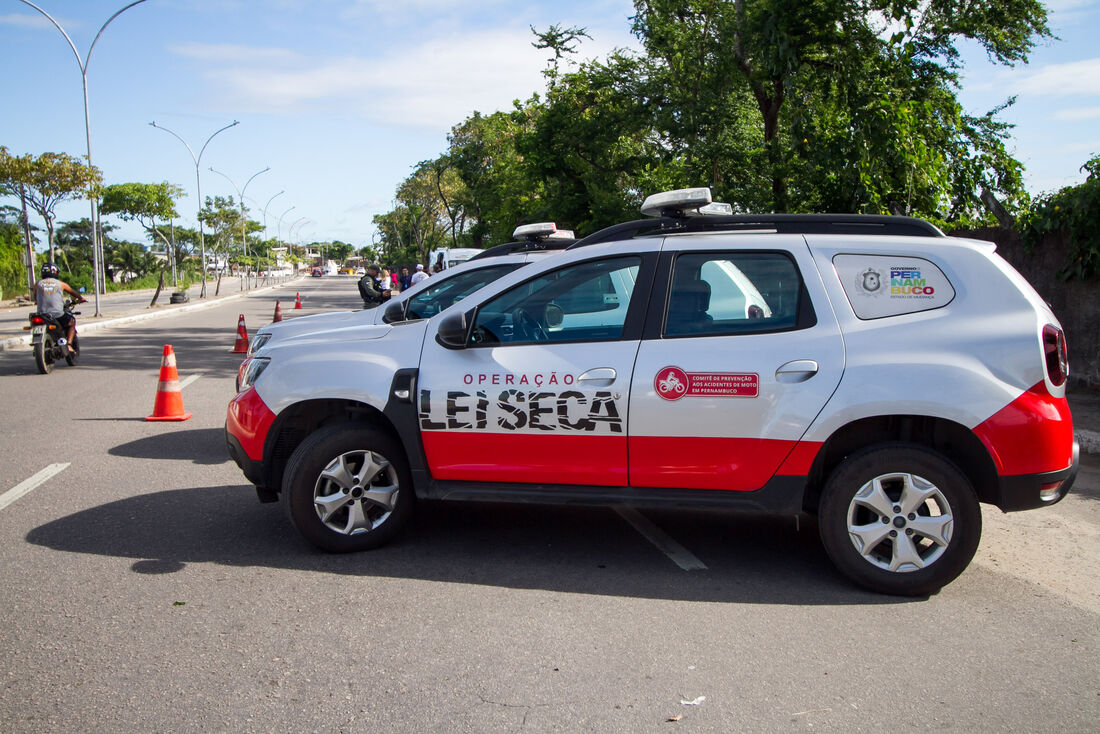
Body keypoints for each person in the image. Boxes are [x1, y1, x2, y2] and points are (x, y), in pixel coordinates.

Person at [32, 262, 85, 355]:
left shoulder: (37, 284)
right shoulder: (61, 284)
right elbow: (74, 293)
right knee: (71, 322)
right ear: (55, 272)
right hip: (57, 314)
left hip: (42, 314)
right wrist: (81, 299)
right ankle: (68, 344)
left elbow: (35, 298)